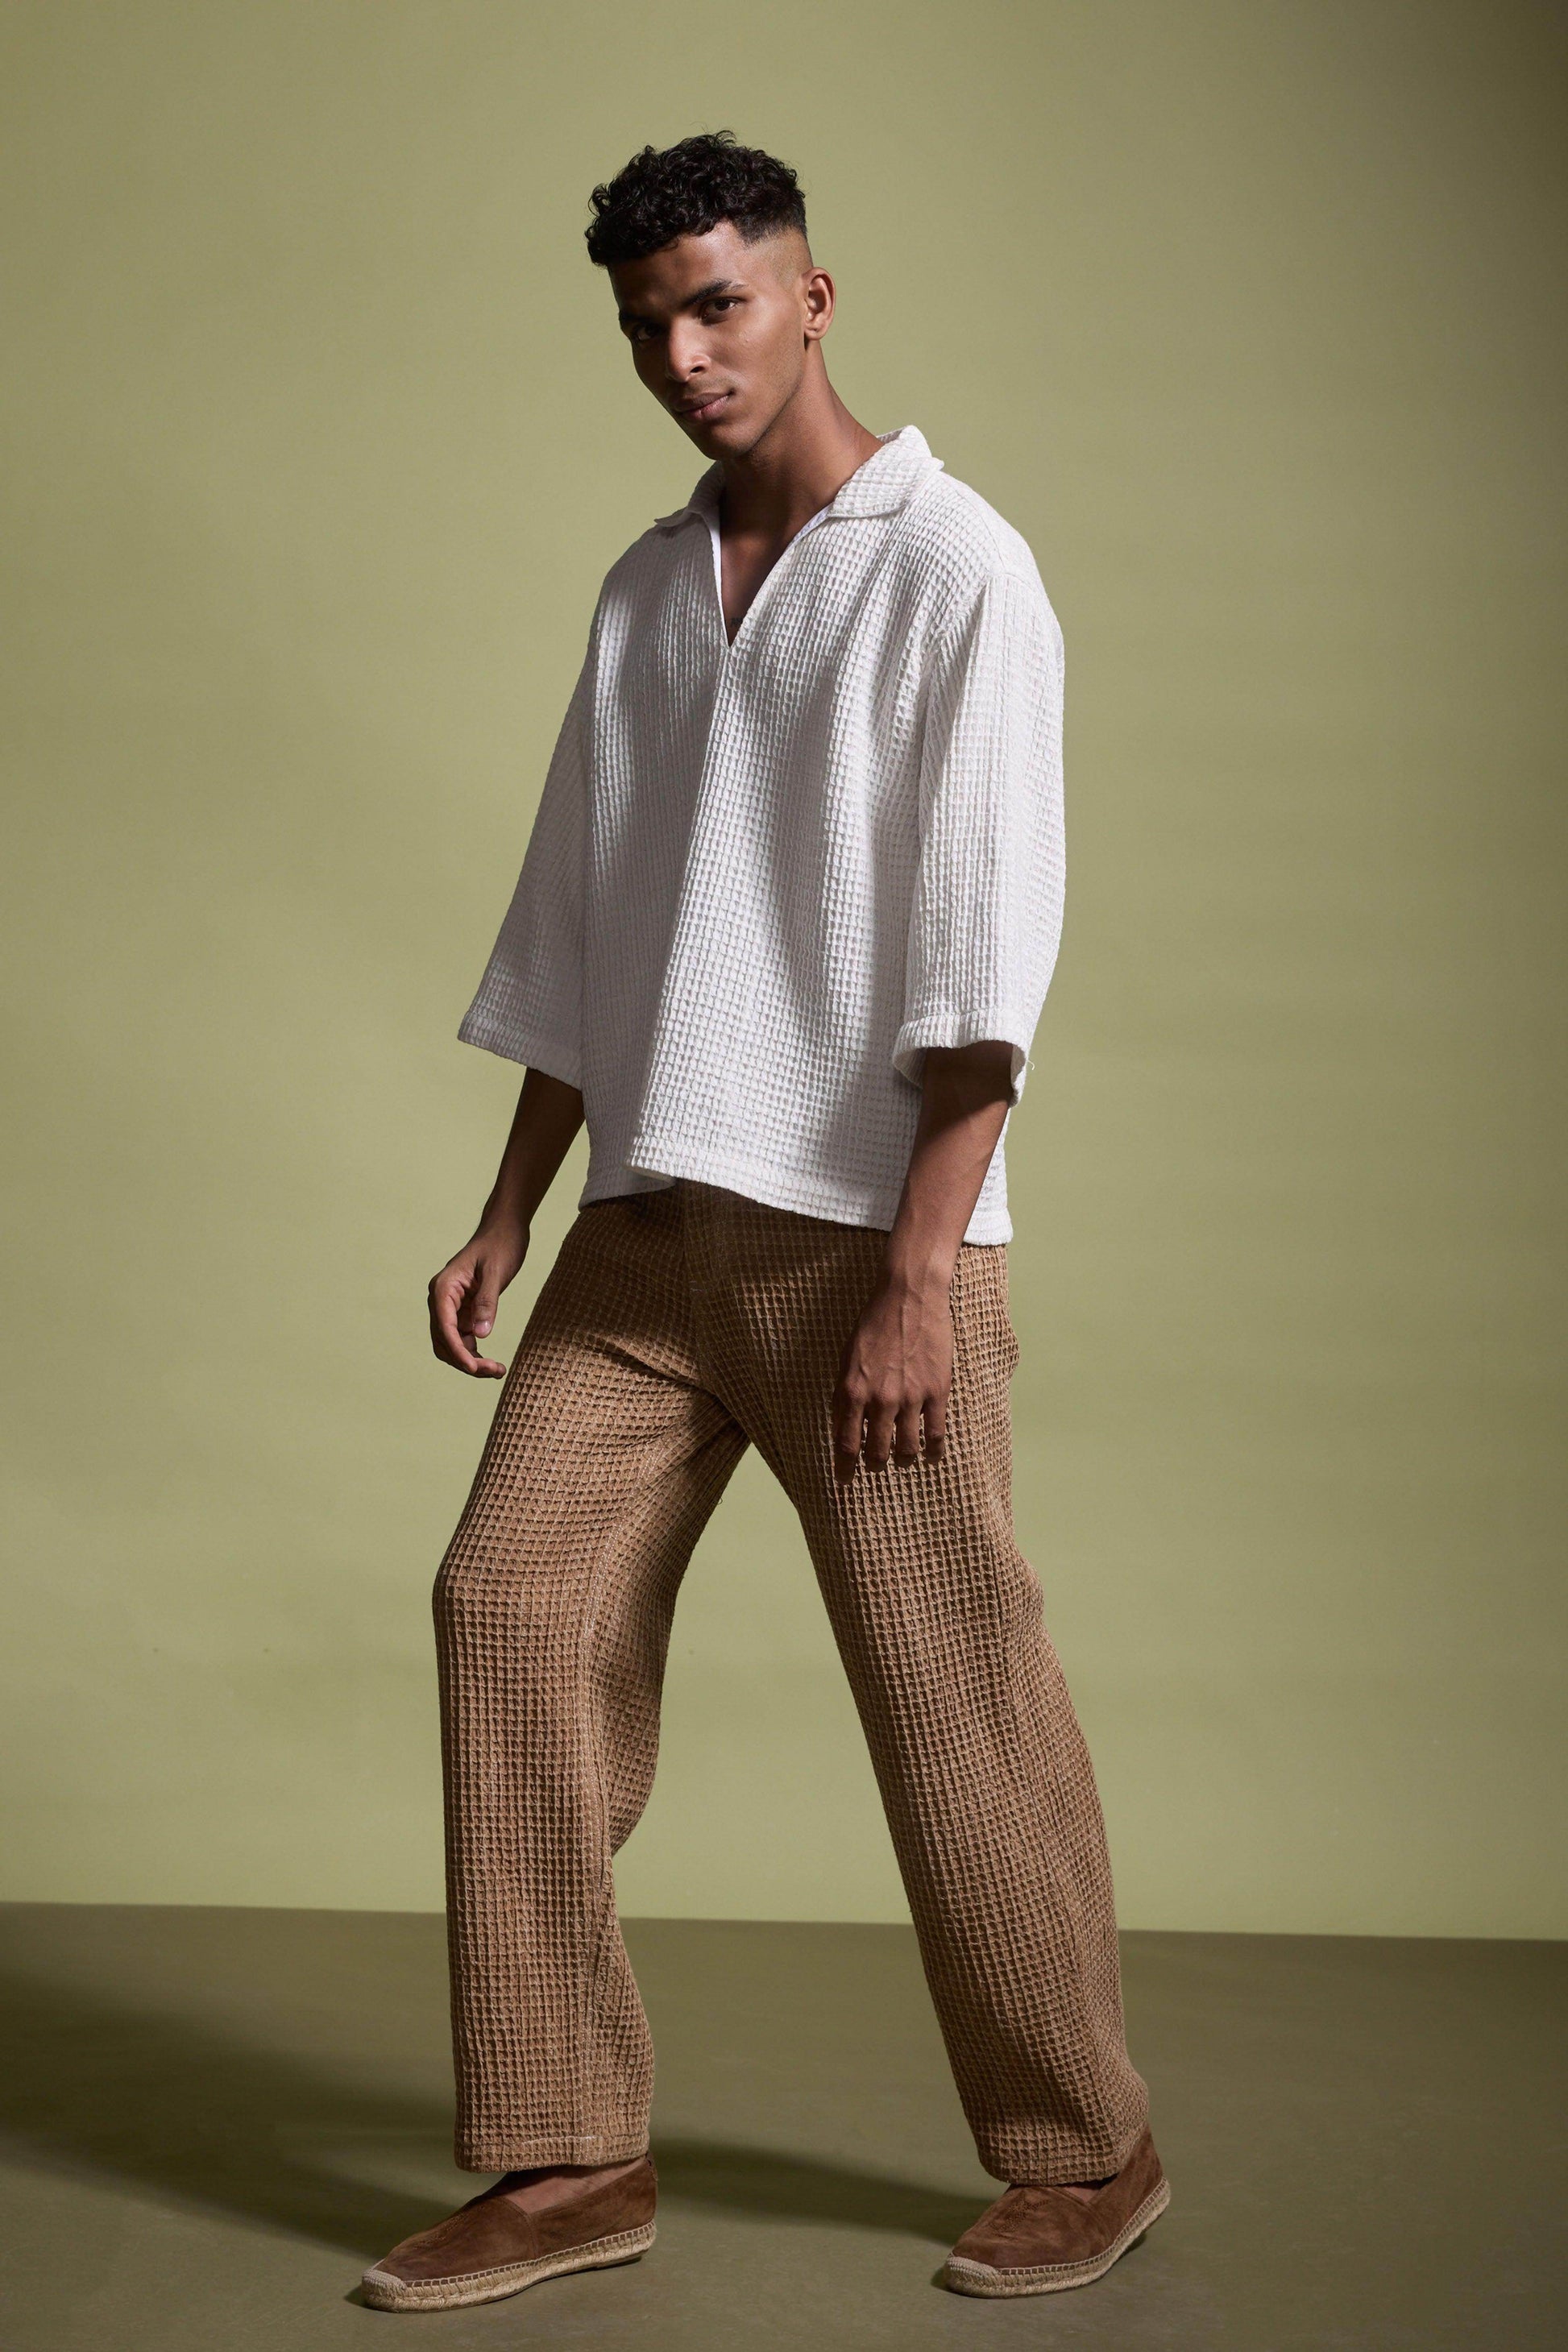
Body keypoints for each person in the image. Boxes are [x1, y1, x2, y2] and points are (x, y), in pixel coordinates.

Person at [362, 130, 1166, 2314]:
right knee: (508, 1607)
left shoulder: (955, 568)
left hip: (864, 1241)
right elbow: (587, 924)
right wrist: (510, 1208)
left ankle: (1087, 2146)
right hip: (644, 1232)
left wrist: (919, 1277)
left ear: (812, 295)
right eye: (647, 326)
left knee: (947, 1685)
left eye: (717, 305)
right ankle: (566, 2154)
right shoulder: (648, 589)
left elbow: (984, 964)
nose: (684, 356)